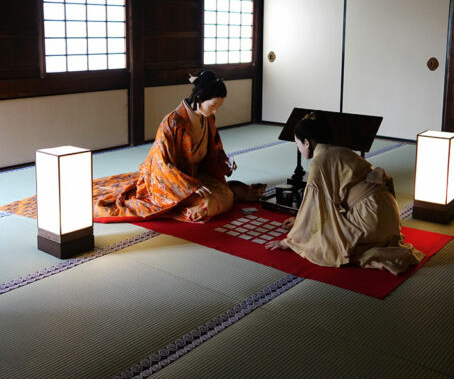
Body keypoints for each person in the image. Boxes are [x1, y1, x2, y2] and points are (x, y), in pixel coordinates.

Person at [93, 70, 264, 223]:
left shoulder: (208, 119)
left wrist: (225, 163)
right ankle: (192, 208)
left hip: (195, 175)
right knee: (209, 201)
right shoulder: (173, 122)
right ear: (198, 99)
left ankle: (200, 206)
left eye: (218, 107)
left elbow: (215, 150)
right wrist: (191, 186)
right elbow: (162, 164)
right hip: (170, 180)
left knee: (225, 196)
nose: (215, 112)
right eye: (213, 106)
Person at [265, 112, 424, 275]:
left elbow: (315, 205)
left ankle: (370, 242)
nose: (297, 147)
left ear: (306, 142)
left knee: (328, 243)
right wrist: (300, 220)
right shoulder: (339, 150)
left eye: (297, 142)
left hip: (371, 219)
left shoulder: (320, 161)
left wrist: (290, 241)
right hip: (389, 215)